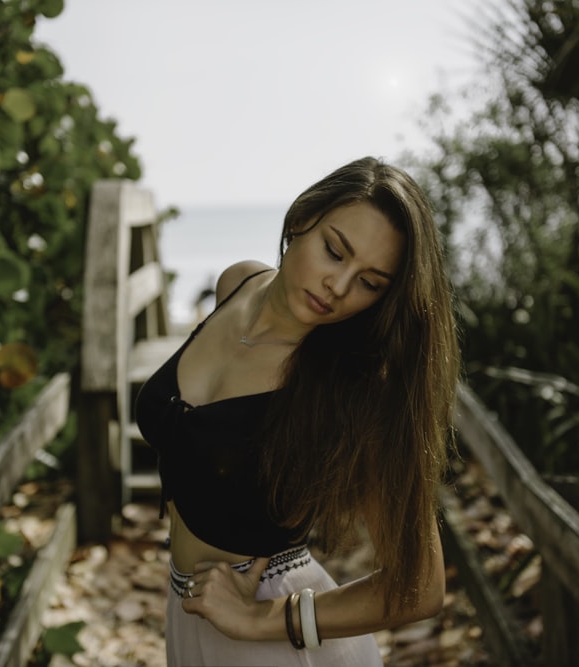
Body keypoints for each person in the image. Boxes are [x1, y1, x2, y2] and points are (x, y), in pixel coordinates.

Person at [135, 156, 460, 666]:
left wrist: (267, 619)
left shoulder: (352, 389)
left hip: (274, 639)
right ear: (301, 218)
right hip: (190, 614)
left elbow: (420, 585)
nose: (338, 285)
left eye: (370, 283)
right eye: (335, 251)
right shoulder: (236, 285)